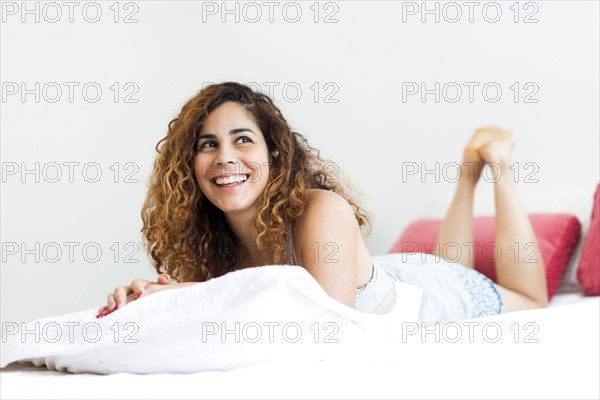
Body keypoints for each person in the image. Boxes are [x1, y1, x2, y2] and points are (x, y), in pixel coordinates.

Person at [97, 82, 548, 323]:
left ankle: (495, 166)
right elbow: (216, 312)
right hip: (393, 273)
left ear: (273, 152)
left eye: (242, 140)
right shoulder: (209, 241)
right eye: (207, 145)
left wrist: (190, 293)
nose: (225, 158)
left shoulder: (322, 208)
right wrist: (151, 299)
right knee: (450, 262)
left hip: (430, 294)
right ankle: (468, 176)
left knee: (533, 300)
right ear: (190, 164)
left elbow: (332, 325)